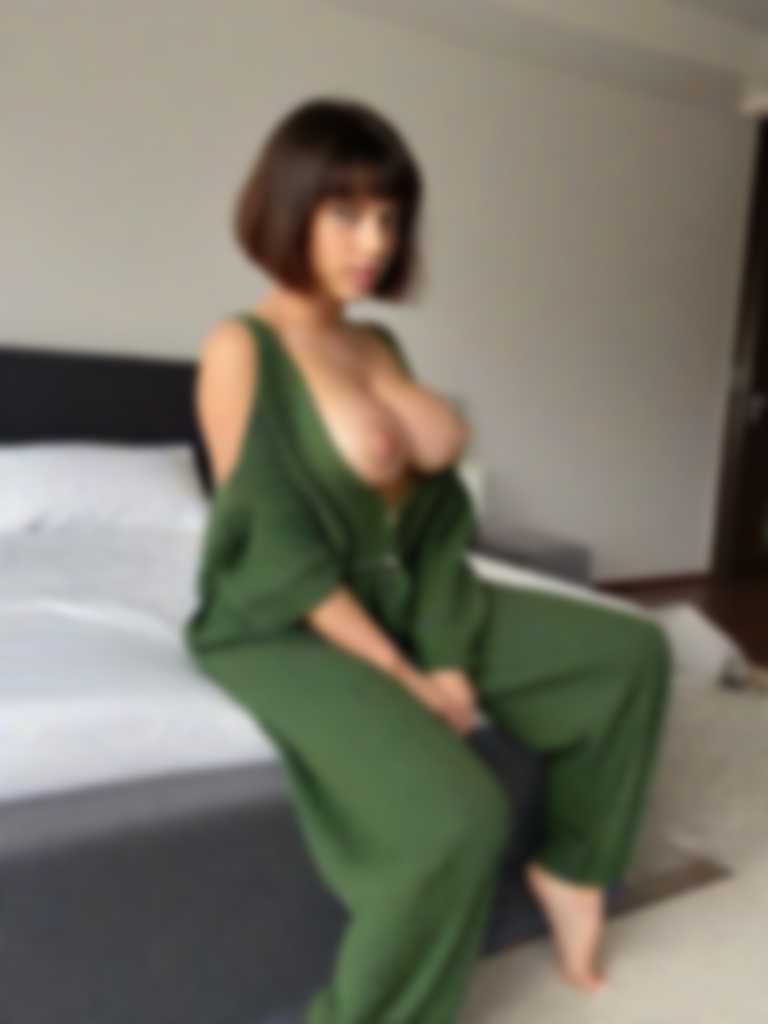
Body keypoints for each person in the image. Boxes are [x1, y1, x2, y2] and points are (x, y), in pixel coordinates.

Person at [183, 95, 672, 1023]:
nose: (374, 240)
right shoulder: (241, 349)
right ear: (289, 205)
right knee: (457, 820)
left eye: (389, 215)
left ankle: (574, 870)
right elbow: (279, 553)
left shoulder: (377, 342)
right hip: (283, 622)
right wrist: (406, 678)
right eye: (346, 212)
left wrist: (446, 653)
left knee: (631, 653)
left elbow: (438, 522)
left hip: (405, 595)